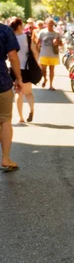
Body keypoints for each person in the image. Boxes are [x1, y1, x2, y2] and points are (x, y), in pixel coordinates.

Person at [0, 22, 22, 171]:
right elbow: (13, 57)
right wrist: (19, 78)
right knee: (5, 119)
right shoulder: (5, 30)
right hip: (1, 81)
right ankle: (6, 158)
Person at [8, 18, 38, 123]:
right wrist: (37, 64)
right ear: (20, 26)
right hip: (26, 68)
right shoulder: (27, 37)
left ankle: (20, 117)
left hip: (15, 68)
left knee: (18, 92)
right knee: (28, 92)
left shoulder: (10, 38)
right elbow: (34, 52)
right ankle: (31, 110)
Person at [37, 18, 62, 90]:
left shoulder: (56, 33)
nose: (51, 25)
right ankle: (45, 79)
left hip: (53, 54)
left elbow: (61, 44)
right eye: (49, 24)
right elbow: (38, 42)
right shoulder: (42, 32)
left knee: (52, 69)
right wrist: (37, 51)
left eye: (52, 24)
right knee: (43, 69)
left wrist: (57, 42)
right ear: (46, 24)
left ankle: (51, 85)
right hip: (44, 53)